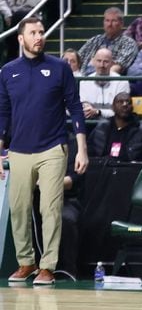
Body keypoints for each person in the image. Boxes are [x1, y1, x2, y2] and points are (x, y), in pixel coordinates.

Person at [0, 17, 87, 286]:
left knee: (49, 208)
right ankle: (26, 262)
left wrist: (81, 149)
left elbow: (75, 108)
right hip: (18, 150)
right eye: (33, 32)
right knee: (19, 208)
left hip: (53, 147)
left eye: (41, 31)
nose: (39, 36)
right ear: (20, 38)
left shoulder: (60, 67)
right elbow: (3, 114)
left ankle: (47, 266)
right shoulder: (7, 71)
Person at [86, 92, 142, 161]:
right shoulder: (101, 128)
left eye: (128, 102)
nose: (125, 104)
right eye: (120, 102)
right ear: (113, 107)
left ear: (132, 107)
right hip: (103, 169)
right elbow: (90, 152)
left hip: (130, 170)